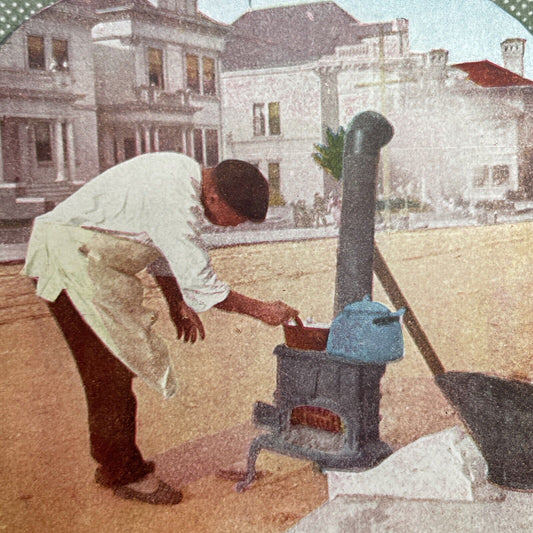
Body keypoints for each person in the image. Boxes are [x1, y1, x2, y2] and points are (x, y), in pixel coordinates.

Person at [23, 152, 298, 505]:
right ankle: (122, 472)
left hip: (87, 260)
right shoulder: (177, 201)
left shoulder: (184, 175)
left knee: (114, 368)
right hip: (69, 261)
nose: (236, 225)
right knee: (108, 371)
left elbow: (158, 248)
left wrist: (174, 301)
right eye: (238, 217)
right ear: (215, 197)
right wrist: (262, 310)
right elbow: (202, 285)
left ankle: (115, 462)